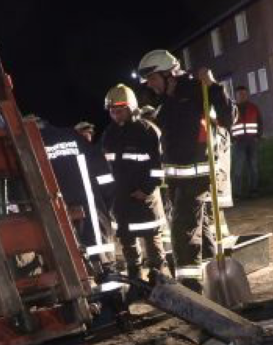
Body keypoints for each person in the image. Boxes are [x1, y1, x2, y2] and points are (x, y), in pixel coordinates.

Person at [138, 49, 236, 292]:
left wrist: (213, 86)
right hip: (178, 177)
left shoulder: (196, 89)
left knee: (182, 229)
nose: (150, 85)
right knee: (200, 230)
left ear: (169, 74)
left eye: (153, 78)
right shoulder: (165, 100)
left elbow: (228, 118)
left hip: (198, 173)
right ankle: (213, 281)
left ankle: (190, 286)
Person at [101, 83, 167, 282]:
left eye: (119, 111)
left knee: (152, 239)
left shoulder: (147, 131)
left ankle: (160, 282)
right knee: (127, 242)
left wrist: (146, 189)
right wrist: (109, 193)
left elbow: (159, 164)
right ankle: (135, 283)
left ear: (130, 108)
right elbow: (105, 167)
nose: (115, 116)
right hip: (121, 199)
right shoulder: (109, 134)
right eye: (112, 112)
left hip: (144, 197)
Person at [37, 120, 116, 269]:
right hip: (93, 213)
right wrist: (105, 204)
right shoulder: (72, 136)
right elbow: (104, 174)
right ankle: (111, 288)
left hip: (56, 212)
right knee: (104, 264)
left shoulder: (31, 145)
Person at [230, 86, 262, 200]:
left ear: (247, 95)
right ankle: (237, 194)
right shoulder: (232, 110)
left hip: (252, 141)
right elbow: (227, 125)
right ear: (236, 96)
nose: (242, 96)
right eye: (240, 94)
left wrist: (258, 136)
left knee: (253, 168)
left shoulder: (253, 108)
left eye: (244, 94)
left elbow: (260, 122)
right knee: (238, 169)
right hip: (238, 143)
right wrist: (232, 139)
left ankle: (254, 191)